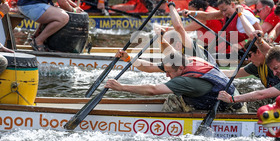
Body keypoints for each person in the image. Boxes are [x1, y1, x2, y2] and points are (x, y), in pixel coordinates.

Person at [105, 51, 246, 113]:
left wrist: (122, 87)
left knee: (173, 97)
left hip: (232, 108)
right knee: (175, 97)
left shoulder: (186, 80)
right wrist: (128, 58)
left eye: (169, 72)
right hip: (217, 98)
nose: (166, 75)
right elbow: (148, 67)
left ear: (181, 69)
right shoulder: (183, 62)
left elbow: (153, 90)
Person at [184, 0, 261, 58]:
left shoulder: (245, 14)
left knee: (208, 56)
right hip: (234, 50)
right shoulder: (227, 12)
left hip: (249, 51)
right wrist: (191, 13)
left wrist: (242, 44)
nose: (223, 14)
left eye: (224, 10)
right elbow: (207, 16)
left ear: (233, 5)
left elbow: (260, 33)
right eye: (221, 11)